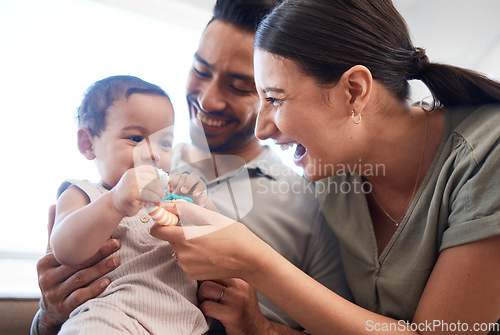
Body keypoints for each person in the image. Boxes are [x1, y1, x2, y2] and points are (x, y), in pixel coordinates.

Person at [149, 0, 500, 334]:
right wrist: (259, 327)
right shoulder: (331, 178)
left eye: (274, 98)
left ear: (354, 91)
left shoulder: (487, 153)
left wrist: (254, 259)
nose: (261, 129)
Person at [32, 1, 352, 334]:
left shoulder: (308, 202)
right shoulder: (123, 170)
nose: (208, 100)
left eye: (240, 86)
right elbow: (64, 274)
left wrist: (258, 326)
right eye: (201, 70)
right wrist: (50, 316)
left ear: (272, 95)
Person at [47, 75, 213, 334]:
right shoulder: (84, 193)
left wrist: (203, 205)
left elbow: (215, 247)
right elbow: (65, 250)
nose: (154, 153)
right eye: (135, 138)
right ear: (88, 143)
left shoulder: (172, 200)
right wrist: (114, 203)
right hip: (112, 318)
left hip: (185, 323)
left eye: (165, 143)